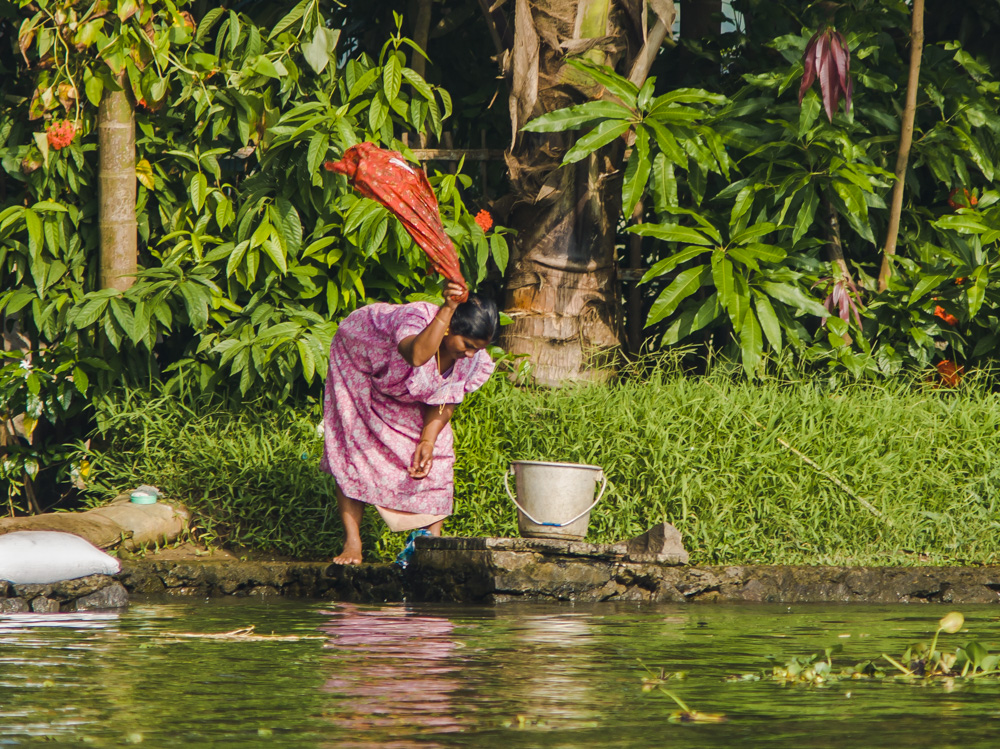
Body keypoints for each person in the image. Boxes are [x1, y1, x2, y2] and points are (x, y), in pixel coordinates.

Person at [320, 282, 498, 564]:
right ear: (449, 328)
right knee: (356, 445)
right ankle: (352, 542)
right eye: (467, 346)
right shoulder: (415, 319)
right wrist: (449, 307)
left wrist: (427, 440)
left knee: (438, 452)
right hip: (360, 362)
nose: (470, 355)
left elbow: (445, 400)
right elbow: (416, 356)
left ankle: (429, 546)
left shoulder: (472, 359)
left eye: (478, 349)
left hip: (402, 382)